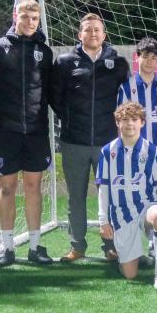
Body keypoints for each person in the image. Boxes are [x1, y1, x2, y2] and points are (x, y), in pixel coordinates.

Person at [51, 13, 129, 263]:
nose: (93, 34)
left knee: (110, 196)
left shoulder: (118, 63)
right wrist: (71, 118)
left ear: (104, 35)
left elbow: (126, 101)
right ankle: (78, 246)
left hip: (108, 143)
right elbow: (55, 97)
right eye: (88, 30)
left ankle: (111, 245)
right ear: (79, 34)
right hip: (74, 141)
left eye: (97, 30)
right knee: (76, 196)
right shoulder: (64, 62)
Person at [0, 0, 54, 267]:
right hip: (6, 131)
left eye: (34, 18)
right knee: (7, 187)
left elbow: (49, 92)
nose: (30, 22)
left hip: (36, 131)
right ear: (16, 16)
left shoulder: (44, 52)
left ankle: (35, 246)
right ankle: (7, 247)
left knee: (34, 187)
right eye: (25, 17)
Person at [96, 102, 157, 288]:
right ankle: (132, 257)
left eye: (134, 120)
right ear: (117, 123)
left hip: (146, 206)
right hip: (121, 212)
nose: (129, 124)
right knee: (130, 275)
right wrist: (103, 220)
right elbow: (103, 188)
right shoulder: (107, 152)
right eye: (124, 120)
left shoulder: (152, 151)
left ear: (142, 123)